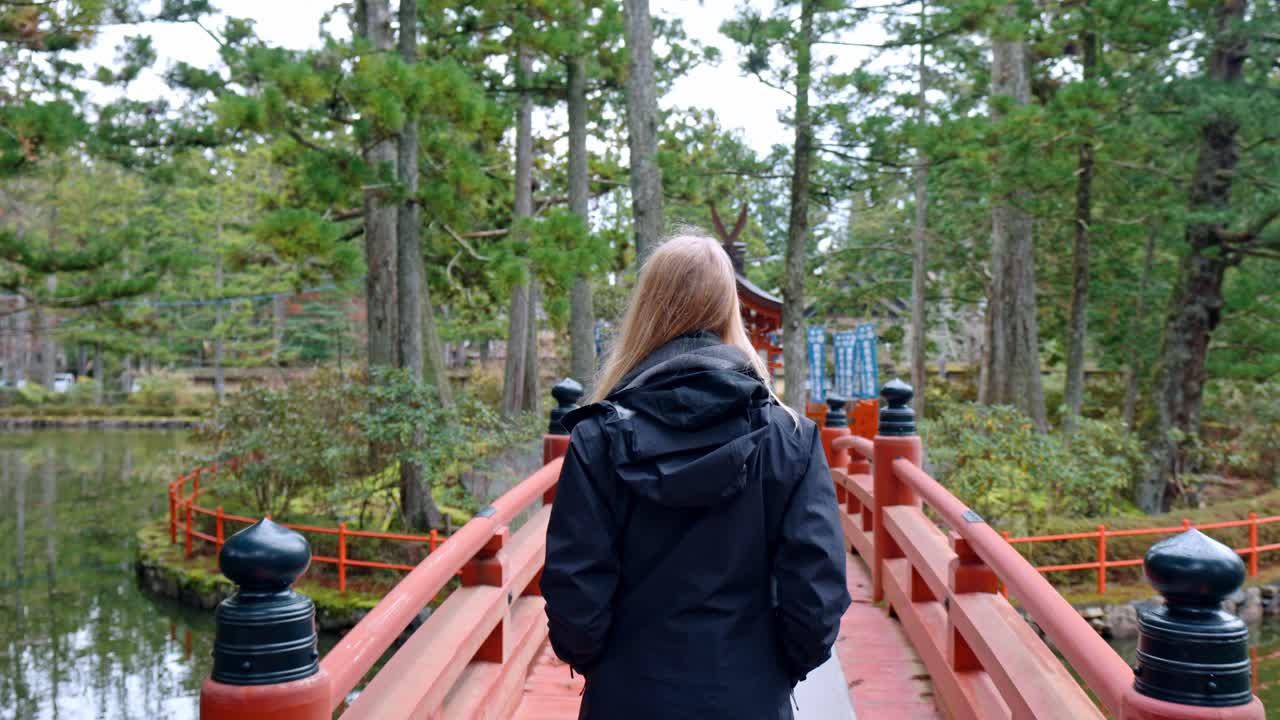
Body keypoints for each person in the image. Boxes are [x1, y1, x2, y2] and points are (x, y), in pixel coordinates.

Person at [542, 234, 851, 720]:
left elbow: (574, 591)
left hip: (627, 696)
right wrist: (772, 669)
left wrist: (607, 665)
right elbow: (815, 595)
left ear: (646, 309)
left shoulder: (599, 436)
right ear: (730, 309)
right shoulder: (789, 437)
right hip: (748, 694)